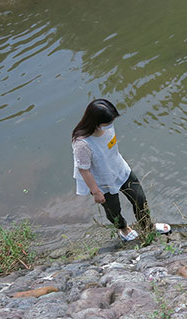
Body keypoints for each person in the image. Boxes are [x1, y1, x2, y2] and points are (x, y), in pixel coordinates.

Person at [71, 99, 170, 241]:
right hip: (102, 181)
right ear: (95, 122)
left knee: (140, 199)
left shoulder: (107, 128)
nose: (111, 125)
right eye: (108, 122)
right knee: (113, 210)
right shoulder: (82, 143)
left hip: (120, 170)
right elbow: (83, 170)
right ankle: (123, 229)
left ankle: (148, 226)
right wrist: (96, 192)